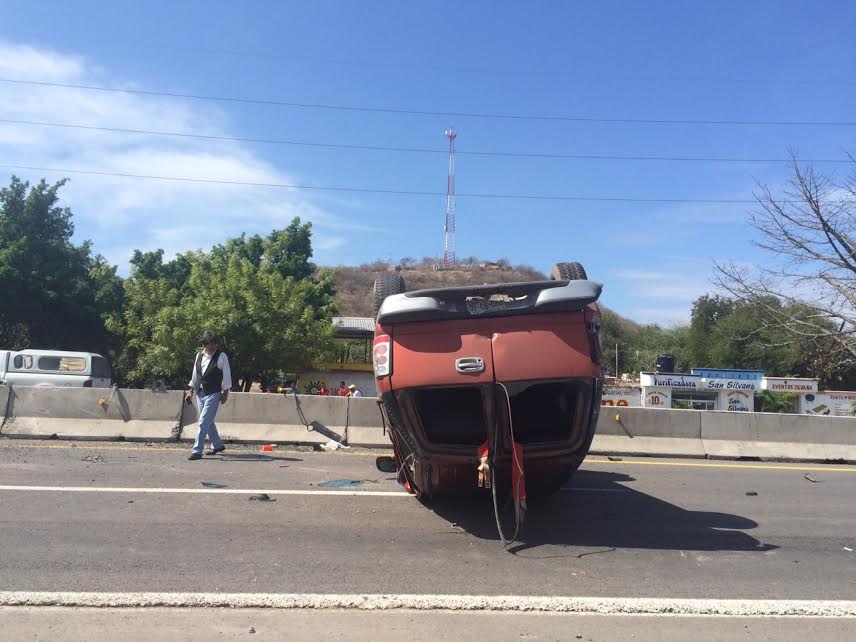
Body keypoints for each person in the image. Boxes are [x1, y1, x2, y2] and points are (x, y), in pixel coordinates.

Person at [185, 331, 232, 460]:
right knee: (208, 421)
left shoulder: (222, 356)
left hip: (214, 393)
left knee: (203, 421)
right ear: (204, 344)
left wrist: (225, 394)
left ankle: (197, 451)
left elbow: (226, 375)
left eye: (214, 344)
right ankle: (217, 445)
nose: (212, 347)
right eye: (210, 344)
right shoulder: (199, 356)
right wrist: (191, 391)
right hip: (200, 393)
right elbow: (196, 375)